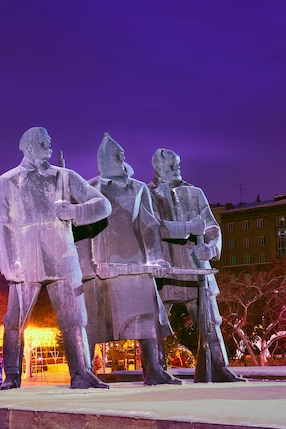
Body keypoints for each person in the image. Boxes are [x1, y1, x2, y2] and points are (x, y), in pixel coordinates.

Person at [0, 127, 111, 390]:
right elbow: (0, 225)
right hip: (25, 259)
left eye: (48, 140)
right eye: (43, 140)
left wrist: (75, 211)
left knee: (75, 317)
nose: (49, 143)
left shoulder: (65, 177)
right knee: (15, 320)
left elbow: (103, 205)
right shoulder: (8, 181)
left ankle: (81, 372)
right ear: (28, 146)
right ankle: (11, 375)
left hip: (62, 256)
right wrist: (9, 264)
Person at [77, 133, 180, 385]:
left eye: (122, 155)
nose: (121, 159)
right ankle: (85, 370)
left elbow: (148, 225)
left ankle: (153, 368)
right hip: (101, 266)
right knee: (94, 321)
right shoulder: (90, 189)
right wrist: (86, 267)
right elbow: (80, 230)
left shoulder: (138, 188)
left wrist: (156, 259)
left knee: (145, 318)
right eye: (116, 156)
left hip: (135, 264)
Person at [148, 148, 245, 382]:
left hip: (196, 266)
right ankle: (155, 370)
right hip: (165, 268)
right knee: (153, 322)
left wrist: (211, 247)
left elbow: (212, 226)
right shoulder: (146, 194)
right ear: (158, 167)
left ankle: (216, 367)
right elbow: (151, 226)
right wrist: (187, 229)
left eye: (177, 163)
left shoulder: (195, 193)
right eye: (171, 164)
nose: (176, 168)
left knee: (210, 319)